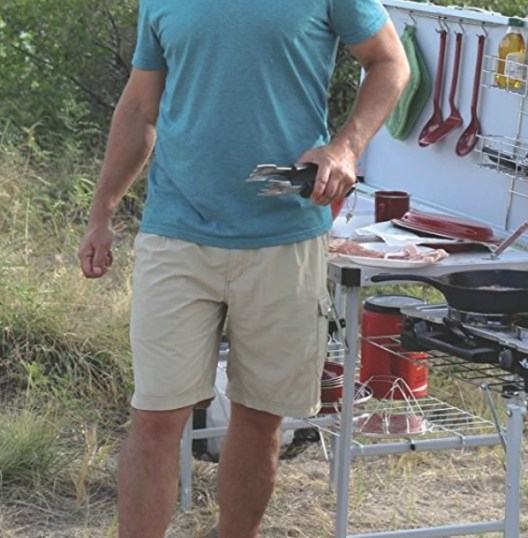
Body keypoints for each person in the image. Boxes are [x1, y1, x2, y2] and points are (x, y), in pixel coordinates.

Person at [77, 2, 409, 537]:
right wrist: (101, 215)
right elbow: (141, 107)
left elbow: (391, 62)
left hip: (284, 237)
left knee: (259, 418)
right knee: (156, 419)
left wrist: (346, 147)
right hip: (177, 231)